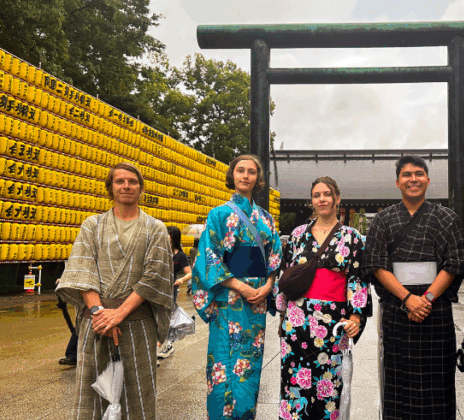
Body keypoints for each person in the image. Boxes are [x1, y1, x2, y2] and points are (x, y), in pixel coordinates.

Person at [56, 162, 174, 420]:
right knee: (90, 394)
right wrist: (101, 313)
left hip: (137, 319)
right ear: (110, 187)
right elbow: (83, 269)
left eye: (132, 181)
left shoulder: (155, 228)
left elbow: (154, 277)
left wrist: (119, 314)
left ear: (141, 188)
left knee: (138, 394)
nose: (126, 186)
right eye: (119, 181)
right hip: (95, 320)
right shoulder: (92, 225)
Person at [362, 155, 464, 420]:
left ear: (428, 180)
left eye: (419, 174)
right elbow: (376, 264)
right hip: (398, 308)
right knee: (398, 379)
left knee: (438, 380)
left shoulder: (447, 218)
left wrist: (426, 298)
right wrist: (408, 298)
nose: (413, 179)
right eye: (407, 175)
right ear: (397, 182)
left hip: (435, 308)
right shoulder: (383, 220)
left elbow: (454, 263)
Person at [191, 155, 282, 420]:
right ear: (232, 176)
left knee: (250, 367)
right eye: (240, 171)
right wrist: (240, 286)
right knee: (225, 365)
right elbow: (209, 258)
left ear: (258, 179)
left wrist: (268, 286)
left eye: (251, 172)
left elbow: (274, 258)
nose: (245, 175)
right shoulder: (218, 214)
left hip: (256, 302)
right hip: (229, 299)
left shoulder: (266, 218)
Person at [274, 176, 371, 420]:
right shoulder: (297, 235)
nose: (322, 199)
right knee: (294, 381)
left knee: (329, 384)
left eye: (327, 194)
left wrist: (355, 317)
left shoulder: (353, 237)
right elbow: (286, 275)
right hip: (297, 319)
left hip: (333, 322)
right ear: (312, 201)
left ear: (337, 199)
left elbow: (357, 278)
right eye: (317, 195)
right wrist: (283, 314)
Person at [157, 225, 193, 359]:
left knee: (167, 317)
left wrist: (182, 279)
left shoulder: (180, 255)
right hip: (157, 288)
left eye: (167, 234)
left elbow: (189, 273)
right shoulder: (160, 251)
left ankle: (168, 344)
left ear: (172, 237)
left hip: (170, 290)